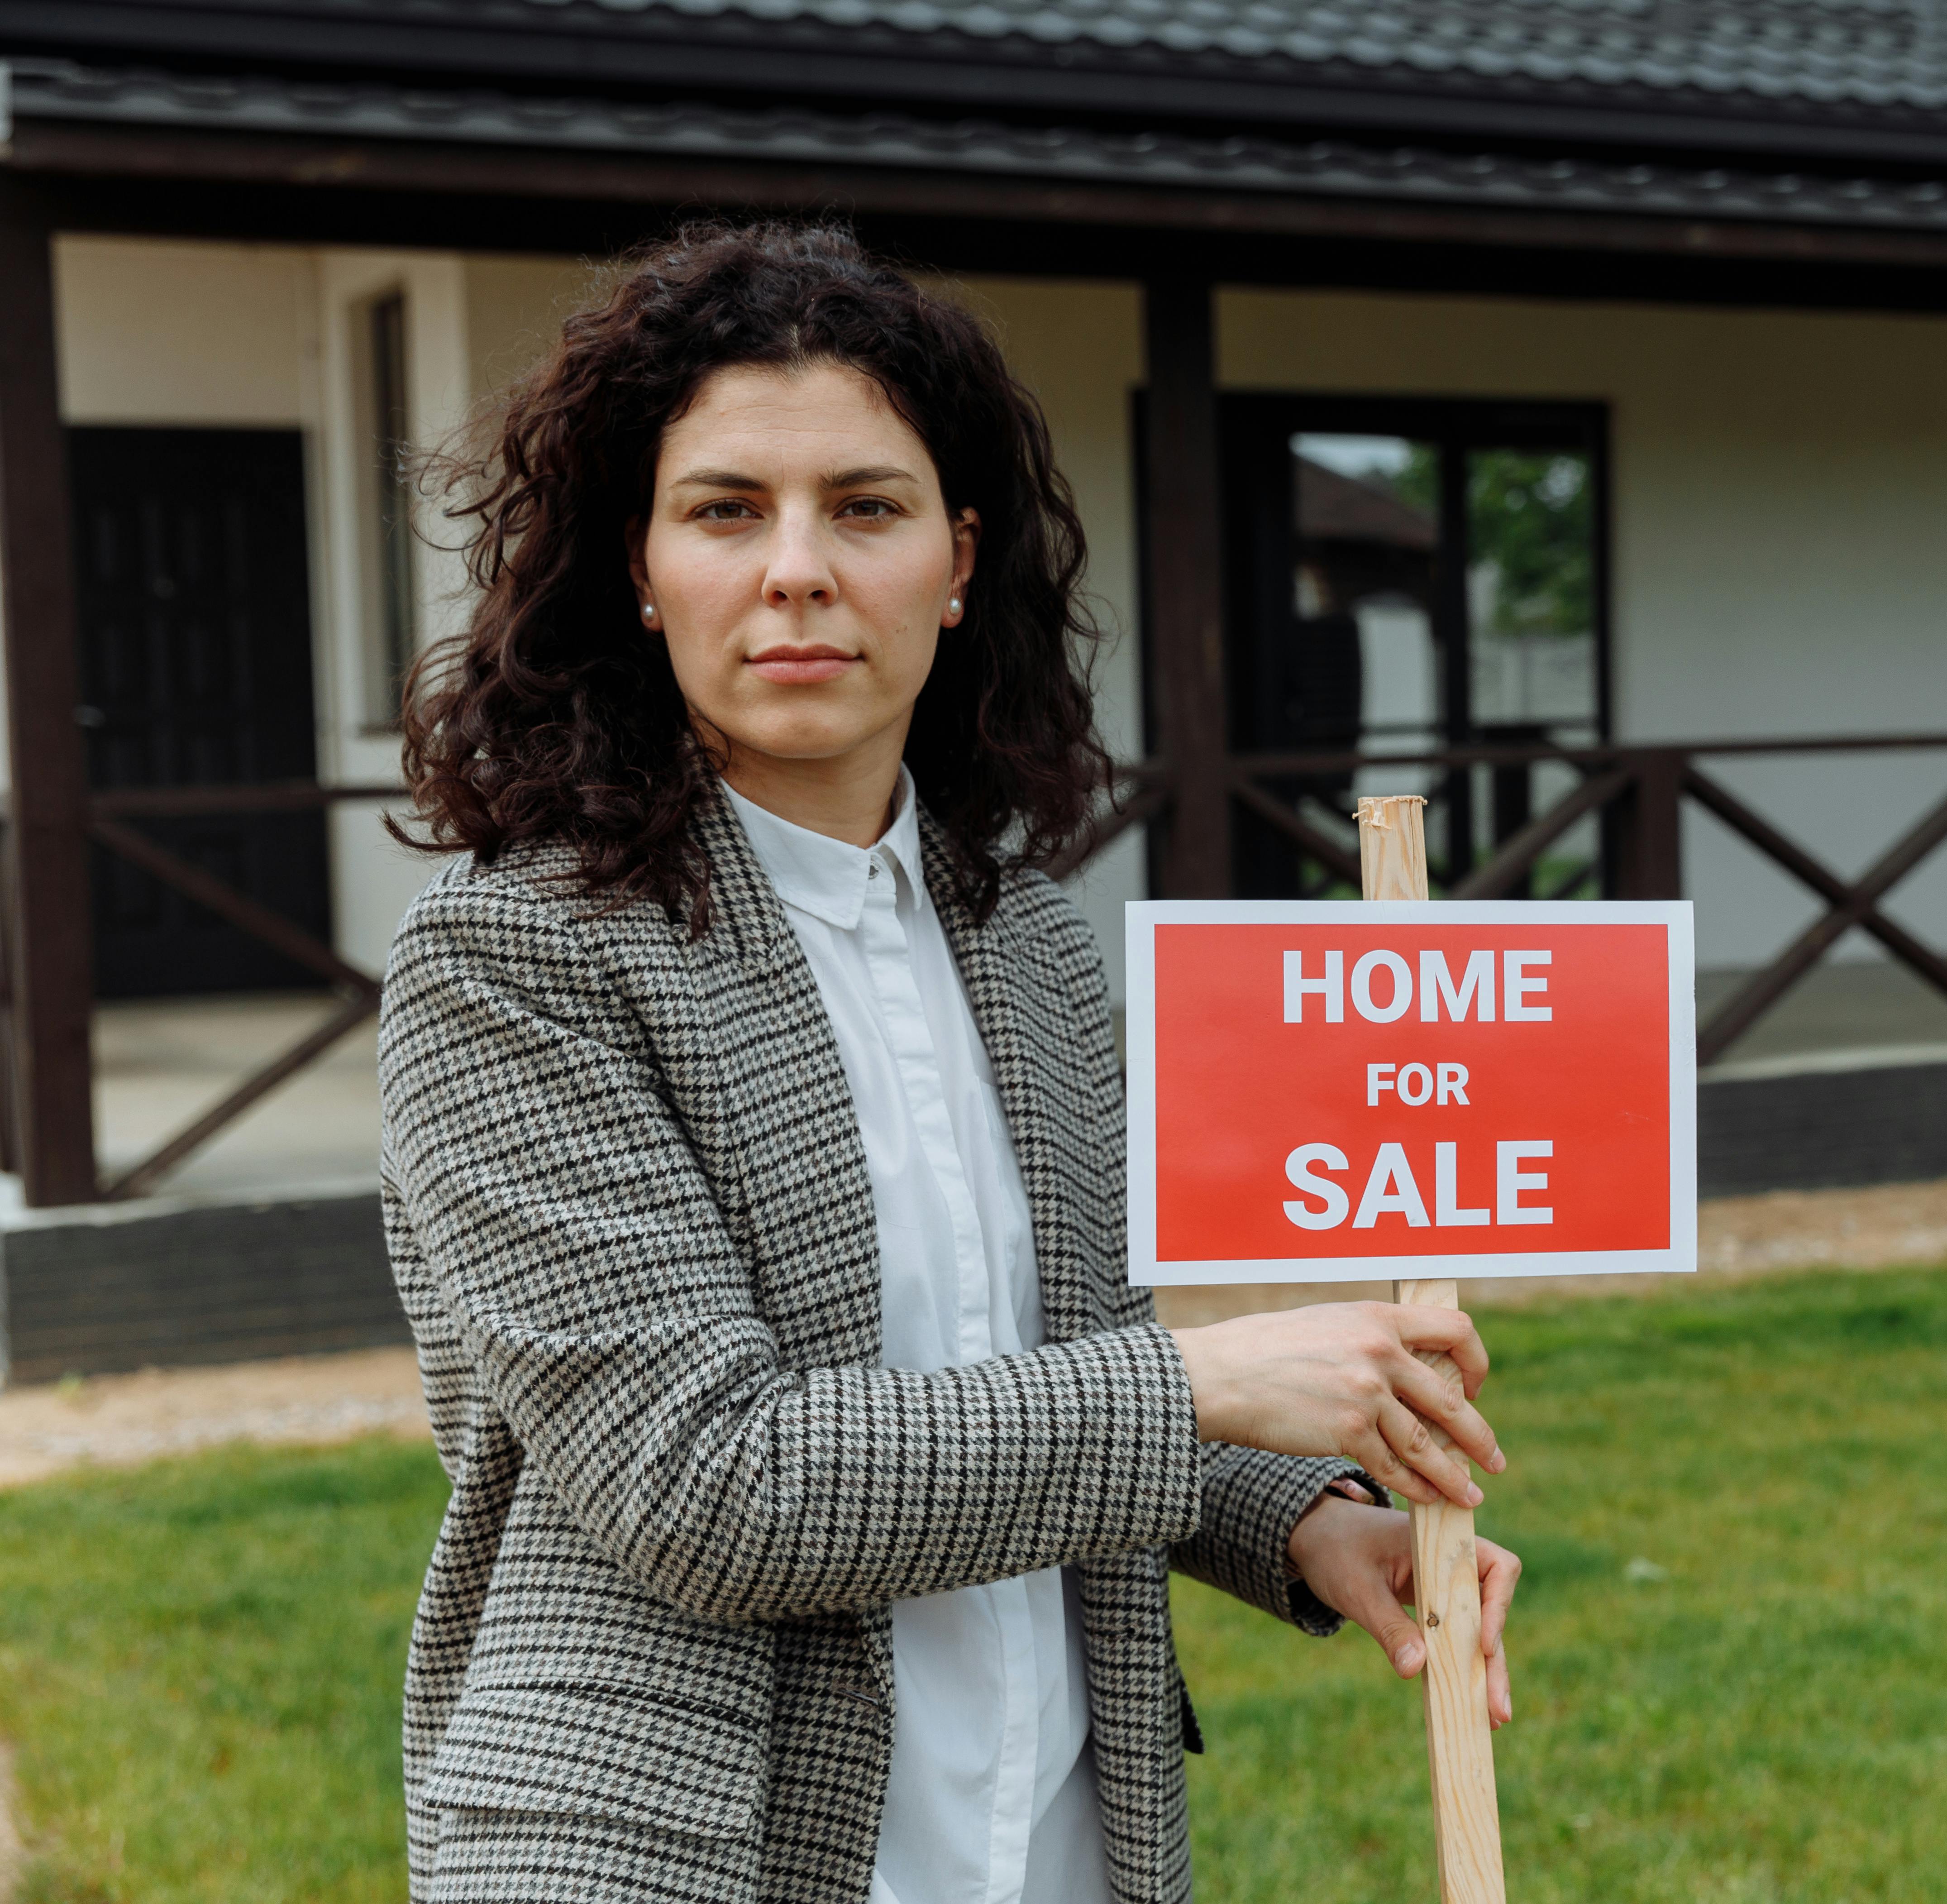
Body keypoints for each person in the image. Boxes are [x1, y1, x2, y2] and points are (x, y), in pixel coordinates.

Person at [379, 222, 1521, 1904]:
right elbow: (701, 1482)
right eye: (723, 510)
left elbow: (1045, 1371)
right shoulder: (510, 954)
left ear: (959, 556)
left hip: (1060, 1834)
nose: (796, 569)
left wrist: (1303, 1519)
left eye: (865, 504)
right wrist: (1210, 1382)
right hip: (689, 1853)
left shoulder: (1030, 943)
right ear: (640, 563)